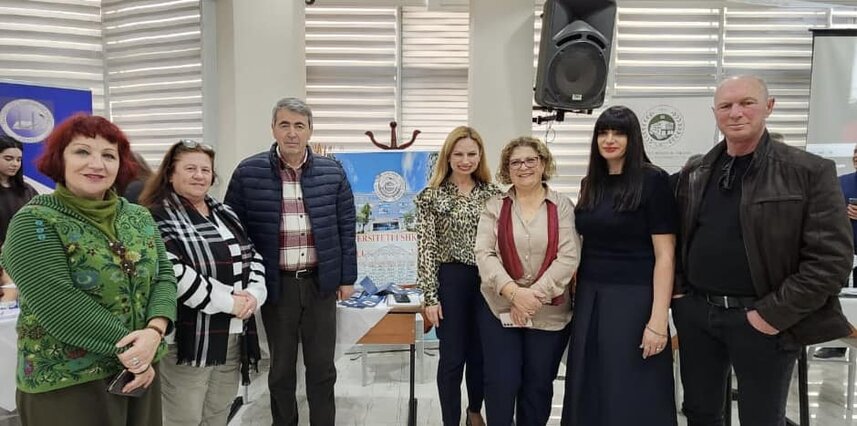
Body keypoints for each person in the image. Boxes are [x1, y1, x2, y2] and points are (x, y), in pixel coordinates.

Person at [673, 75, 853, 425]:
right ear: (715, 113)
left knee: (761, 418)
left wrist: (770, 315)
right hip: (699, 317)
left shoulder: (809, 172)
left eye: (747, 103)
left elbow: (832, 261)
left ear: (769, 106)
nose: (735, 113)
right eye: (726, 106)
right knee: (700, 413)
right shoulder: (696, 173)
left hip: (763, 319)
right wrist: (682, 298)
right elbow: (678, 239)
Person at [0, 114, 177, 425]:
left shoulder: (138, 216)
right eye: (82, 151)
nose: (97, 164)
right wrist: (139, 351)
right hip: (68, 382)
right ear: (60, 159)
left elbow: (164, 276)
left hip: (140, 372)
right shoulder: (34, 221)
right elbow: (59, 304)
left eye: (109, 155)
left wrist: (155, 331)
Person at [225, 97, 356, 425]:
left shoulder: (332, 172)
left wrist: (347, 278)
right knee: (281, 369)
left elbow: (346, 226)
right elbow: (233, 231)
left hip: (320, 285)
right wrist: (243, 283)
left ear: (310, 130)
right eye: (284, 125)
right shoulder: (248, 172)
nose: (292, 133)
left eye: (299, 125)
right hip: (276, 286)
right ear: (273, 128)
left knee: (322, 368)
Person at [560, 106, 678, 426]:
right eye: (603, 132)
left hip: (634, 297)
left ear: (633, 138)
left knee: (630, 385)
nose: (609, 139)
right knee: (589, 381)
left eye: (618, 133)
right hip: (589, 294)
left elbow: (665, 256)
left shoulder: (653, 181)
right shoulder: (590, 183)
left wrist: (658, 320)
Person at [139, 140, 267, 425]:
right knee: (183, 418)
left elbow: (252, 255)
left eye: (205, 170)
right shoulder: (154, 216)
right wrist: (230, 303)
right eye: (190, 169)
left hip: (232, 335)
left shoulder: (225, 213)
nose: (199, 175)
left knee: (218, 412)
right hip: (189, 340)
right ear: (170, 173)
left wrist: (255, 294)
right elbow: (173, 272)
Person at [474, 136, 579, 426]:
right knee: (501, 381)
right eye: (516, 162)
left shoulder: (562, 206)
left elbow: (569, 256)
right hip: (499, 309)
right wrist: (514, 294)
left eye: (531, 160)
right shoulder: (494, 206)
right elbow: (484, 253)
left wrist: (532, 296)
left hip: (549, 313)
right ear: (507, 169)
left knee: (538, 384)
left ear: (543, 164)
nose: (524, 167)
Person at [415, 126, 500, 426]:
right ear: (448, 156)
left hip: (487, 281)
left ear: (480, 156)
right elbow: (426, 248)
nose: (465, 160)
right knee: (452, 359)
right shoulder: (431, 196)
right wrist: (430, 297)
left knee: (480, 355)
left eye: (471, 154)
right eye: (459, 154)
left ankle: (474, 411)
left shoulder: (494, 195)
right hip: (450, 280)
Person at [814, 143, 857, 359]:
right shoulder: (841, 182)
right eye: (856, 154)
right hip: (843, 250)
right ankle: (837, 343)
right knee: (837, 298)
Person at [0, 135, 38, 302]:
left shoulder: (27, 191)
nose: (15, 164)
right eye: (8, 159)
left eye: (18, 159)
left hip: (25, 261)